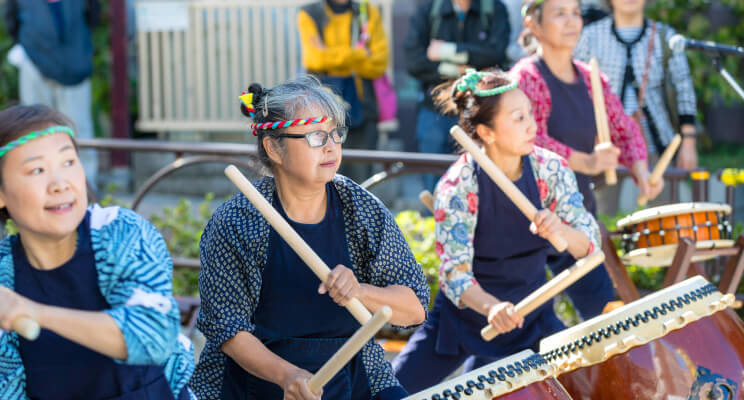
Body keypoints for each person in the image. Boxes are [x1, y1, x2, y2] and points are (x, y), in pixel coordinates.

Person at [189, 76, 429, 400]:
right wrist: (287, 376)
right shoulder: (236, 222)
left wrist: (360, 291)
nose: (331, 146)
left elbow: (414, 307)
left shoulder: (360, 209)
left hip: (354, 375)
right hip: (259, 382)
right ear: (274, 147)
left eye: (335, 134)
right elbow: (228, 328)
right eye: (316, 136)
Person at [391, 69, 601, 393]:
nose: (532, 125)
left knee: (588, 390)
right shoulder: (458, 185)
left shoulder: (550, 168)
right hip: (463, 319)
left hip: (532, 317)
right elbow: (453, 274)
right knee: (390, 392)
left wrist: (560, 228)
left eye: (530, 114)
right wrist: (491, 308)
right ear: (486, 132)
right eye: (518, 118)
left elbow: (588, 243)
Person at [0, 105, 194, 399]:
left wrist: (35, 313)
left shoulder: (120, 231)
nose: (60, 184)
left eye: (68, 162)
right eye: (37, 170)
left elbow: (154, 337)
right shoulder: (5, 272)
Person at [510, 0, 663, 319]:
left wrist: (642, 171)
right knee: (523, 330)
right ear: (534, 25)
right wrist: (587, 161)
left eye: (576, 13)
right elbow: (530, 140)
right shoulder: (526, 77)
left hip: (575, 214)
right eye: (559, 14)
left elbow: (626, 129)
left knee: (606, 316)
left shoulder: (592, 77)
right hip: (527, 217)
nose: (571, 22)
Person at [574, 0, 698, 211]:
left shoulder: (664, 37)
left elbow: (684, 88)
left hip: (656, 143)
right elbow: (575, 89)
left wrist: (688, 142)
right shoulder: (590, 36)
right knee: (600, 215)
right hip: (604, 145)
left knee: (666, 214)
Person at [404, 0, 511, 190]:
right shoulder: (429, 9)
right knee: (433, 182)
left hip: (479, 113)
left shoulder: (494, 8)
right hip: (434, 111)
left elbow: (496, 54)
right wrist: (461, 68)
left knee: (478, 180)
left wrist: (446, 51)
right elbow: (413, 61)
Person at [4, 0, 100, 189]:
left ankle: (86, 188)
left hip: (75, 66)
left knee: (79, 129)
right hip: (35, 62)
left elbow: (93, 17)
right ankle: (37, 185)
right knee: (34, 129)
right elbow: (12, 22)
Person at [297, 0, 389, 183]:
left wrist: (329, 55)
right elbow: (314, 59)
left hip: (363, 108)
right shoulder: (309, 13)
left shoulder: (368, 11)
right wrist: (360, 54)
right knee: (322, 181)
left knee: (362, 181)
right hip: (321, 113)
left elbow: (379, 63)